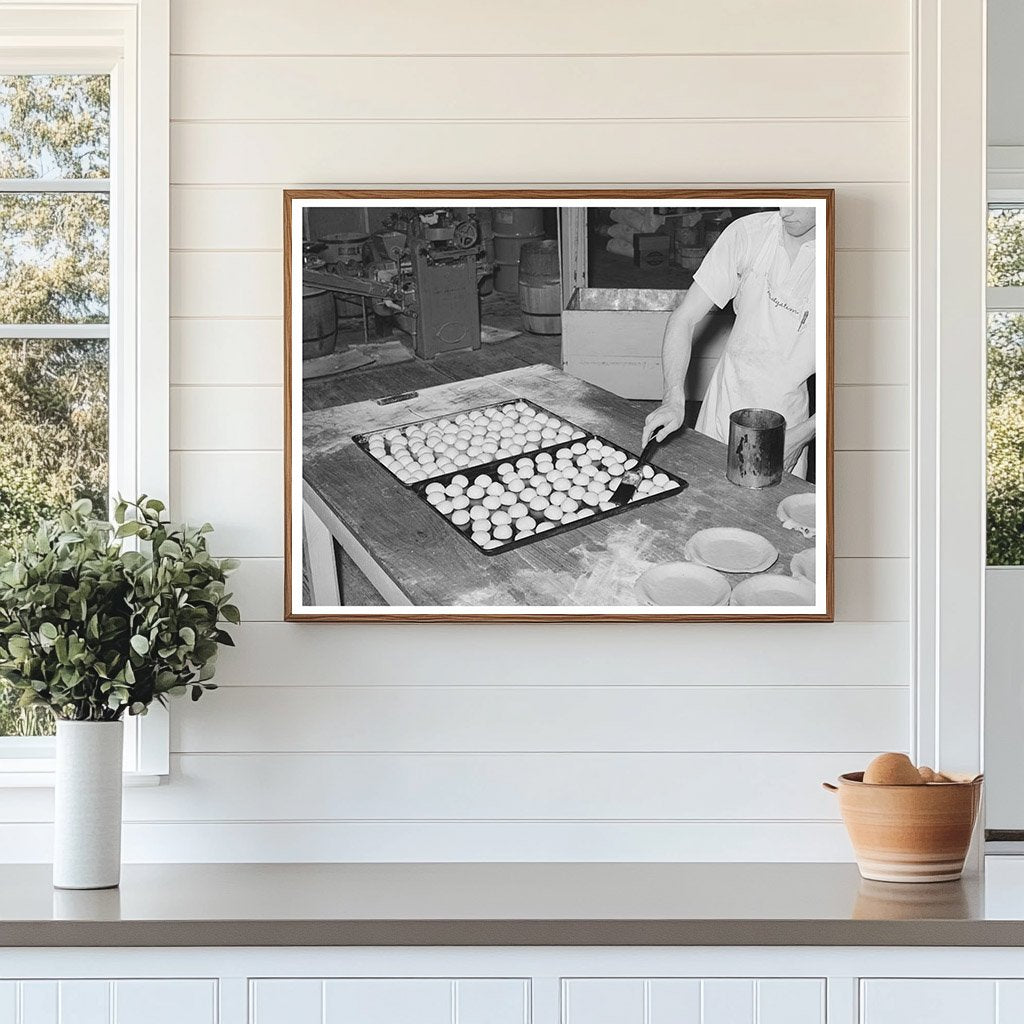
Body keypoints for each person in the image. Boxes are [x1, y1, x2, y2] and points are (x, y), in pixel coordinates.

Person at [642, 207, 817, 477]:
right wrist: (673, 398)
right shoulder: (748, 233)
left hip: (787, 430)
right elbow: (684, 318)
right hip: (721, 410)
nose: (785, 211)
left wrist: (804, 434)